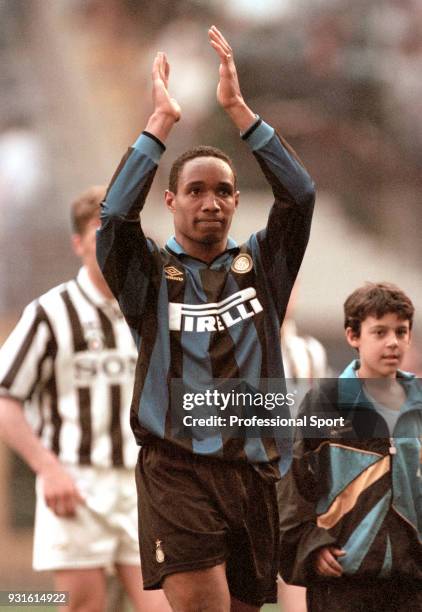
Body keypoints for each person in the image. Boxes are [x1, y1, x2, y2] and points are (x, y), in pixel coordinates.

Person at [96, 26, 315, 612]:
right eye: (195, 191)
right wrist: (160, 124)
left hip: (256, 471)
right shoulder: (147, 275)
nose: (211, 202)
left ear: (238, 201)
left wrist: (240, 112)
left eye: (223, 190)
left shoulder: (264, 266)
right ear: (171, 202)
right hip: (177, 469)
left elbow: (300, 197)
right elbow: (114, 218)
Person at [0, 186, 170, 612]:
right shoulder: (50, 312)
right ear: (78, 243)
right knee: (83, 606)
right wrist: (48, 469)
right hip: (76, 485)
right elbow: (5, 397)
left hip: (142, 487)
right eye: (100, 234)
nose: (112, 245)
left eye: (121, 234)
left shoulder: (154, 311)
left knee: (165, 607)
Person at [278, 282, 422, 612]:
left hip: (411, 584)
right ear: (352, 336)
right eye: (380, 332)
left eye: (401, 332)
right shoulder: (323, 403)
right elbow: (292, 487)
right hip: (343, 585)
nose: (393, 342)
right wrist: (311, 546)